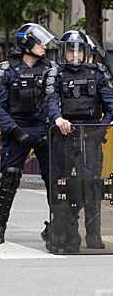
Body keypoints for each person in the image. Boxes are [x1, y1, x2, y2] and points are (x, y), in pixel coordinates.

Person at [0, 23, 58, 244]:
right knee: (10, 177)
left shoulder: (50, 69)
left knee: (55, 178)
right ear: (27, 43)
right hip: (17, 128)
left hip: (43, 128)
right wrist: (14, 130)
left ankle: (59, 225)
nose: (45, 47)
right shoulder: (6, 70)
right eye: (40, 43)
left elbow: (54, 101)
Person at [46, 30, 113, 253]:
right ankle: (66, 233)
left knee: (92, 185)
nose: (75, 55)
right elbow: (51, 101)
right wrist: (58, 119)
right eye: (71, 50)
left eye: (79, 50)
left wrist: (102, 128)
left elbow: (110, 105)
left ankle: (93, 234)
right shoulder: (55, 74)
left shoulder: (98, 73)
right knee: (63, 185)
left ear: (86, 53)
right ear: (63, 52)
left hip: (91, 137)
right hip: (64, 137)